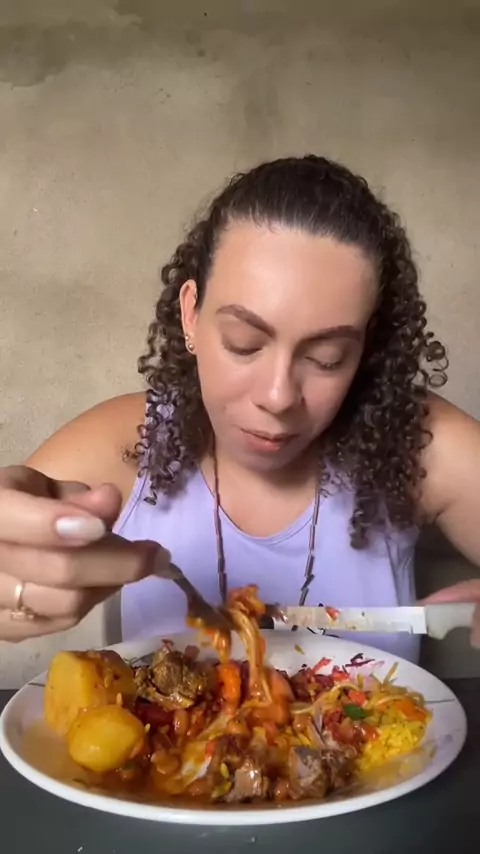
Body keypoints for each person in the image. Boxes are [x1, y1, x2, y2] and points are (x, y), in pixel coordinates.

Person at [1, 155, 479, 659]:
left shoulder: (413, 441)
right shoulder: (130, 443)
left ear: (366, 347)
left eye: (327, 358)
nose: (277, 397)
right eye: (244, 343)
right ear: (191, 314)